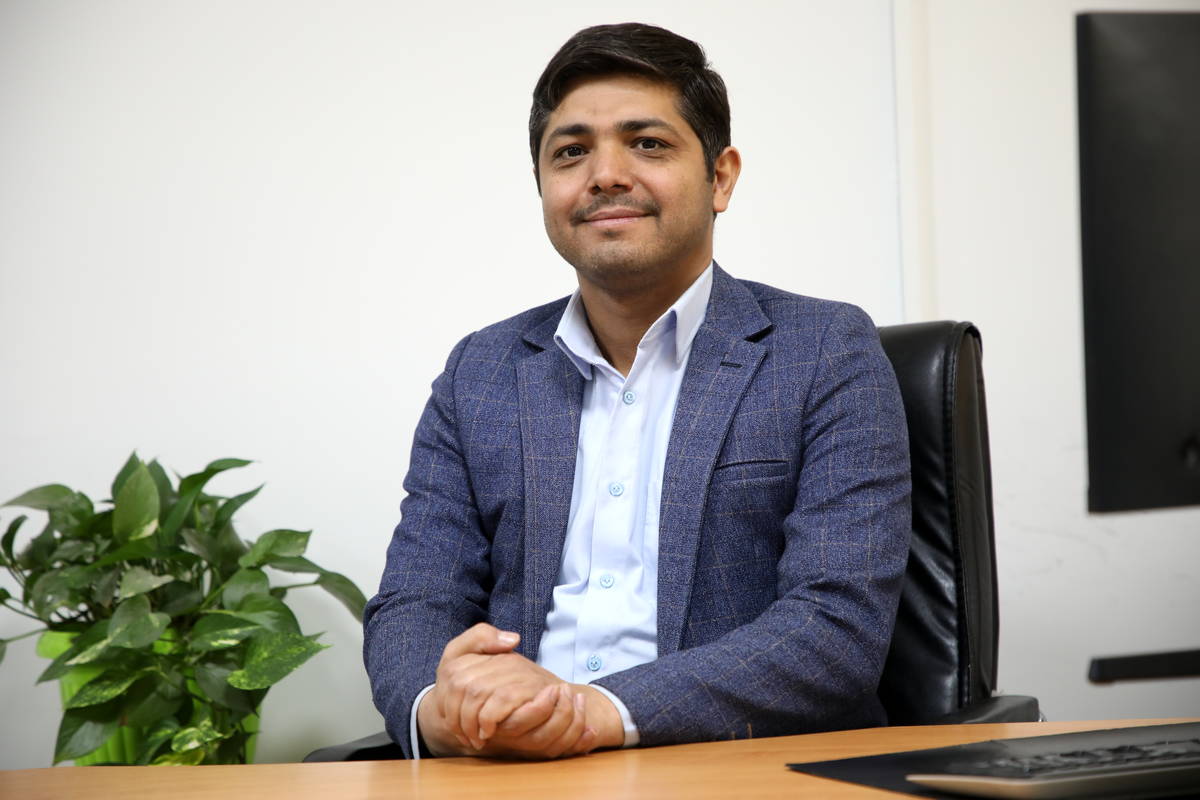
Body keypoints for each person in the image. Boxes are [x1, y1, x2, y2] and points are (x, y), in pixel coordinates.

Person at [363, 22, 911, 760]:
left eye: (647, 143)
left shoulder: (823, 350)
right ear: (543, 187)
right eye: (570, 152)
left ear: (720, 178)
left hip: (727, 766)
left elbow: (835, 628)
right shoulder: (481, 372)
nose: (605, 175)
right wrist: (438, 709)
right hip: (508, 766)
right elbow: (415, 600)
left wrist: (596, 711)